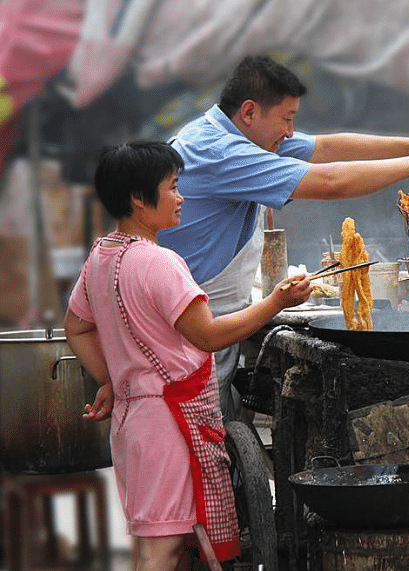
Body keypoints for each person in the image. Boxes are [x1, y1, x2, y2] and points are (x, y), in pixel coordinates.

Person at [158, 55, 409, 421]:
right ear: (250, 112)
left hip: (214, 321)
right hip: (188, 332)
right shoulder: (219, 152)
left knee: (218, 433)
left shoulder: (237, 135)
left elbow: (327, 148)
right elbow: (330, 181)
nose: (289, 133)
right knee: (195, 442)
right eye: (286, 120)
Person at [64, 141, 312, 571]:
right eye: (174, 187)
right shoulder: (160, 263)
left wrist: (111, 380)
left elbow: (77, 326)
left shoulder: (101, 257)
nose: (182, 198)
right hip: (166, 425)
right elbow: (209, 335)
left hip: (132, 423)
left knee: (151, 543)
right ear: (140, 199)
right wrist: (275, 302)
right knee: (164, 550)